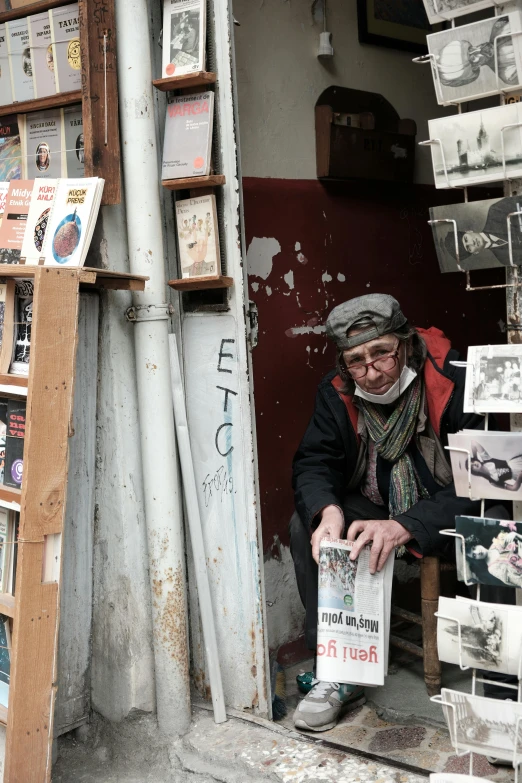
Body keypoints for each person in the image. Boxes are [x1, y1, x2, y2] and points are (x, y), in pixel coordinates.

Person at [290, 293, 499, 733]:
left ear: (405, 343)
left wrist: (407, 524)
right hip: (376, 501)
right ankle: (337, 671)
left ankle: (501, 685)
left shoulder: (455, 378)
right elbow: (315, 462)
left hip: (447, 502)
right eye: (356, 361)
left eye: (381, 353)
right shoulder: (337, 391)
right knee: (306, 525)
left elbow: (485, 481)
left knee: (497, 520)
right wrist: (325, 511)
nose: (371, 371)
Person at [436, 17, 518, 89]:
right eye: (473, 58)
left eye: (470, 48)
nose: (479, 49)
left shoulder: (500, 26)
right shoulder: (509, 75)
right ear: (475, 68)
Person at [445, 196, 522, 268]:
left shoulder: (496, 211)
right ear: (475, 253)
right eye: (468, 247)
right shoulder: (506, 259)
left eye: (466, 239)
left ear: (468, 231)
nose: (472, 243)